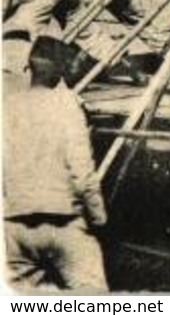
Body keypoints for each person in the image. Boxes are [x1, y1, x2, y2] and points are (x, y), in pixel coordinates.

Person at [4, 36, 108, 292]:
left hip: (14, 225)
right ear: (60, 72)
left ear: (29, 68)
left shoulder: (7, 106)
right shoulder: (66, 103)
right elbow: (82, 171)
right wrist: (98, 216)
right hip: (62, 219)